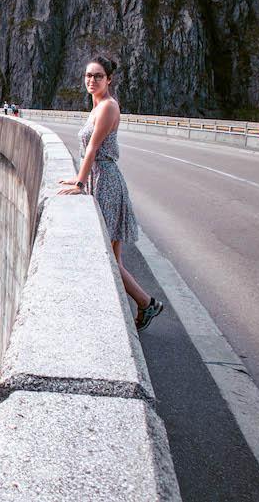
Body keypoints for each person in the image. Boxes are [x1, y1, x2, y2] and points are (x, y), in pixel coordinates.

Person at [58, 55, 164, 331]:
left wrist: (79, 184)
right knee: (113, 259)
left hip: (106, 183)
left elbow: (93, 149)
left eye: (98, 76)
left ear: (109, 79)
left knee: (105, 254)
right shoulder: (96, 106)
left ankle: (142, 304)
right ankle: (146, 304)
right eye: (88, 76)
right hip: (99, 178)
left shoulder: (107, 106)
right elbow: (88, 151)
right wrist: (78, 178)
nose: (91, 80)